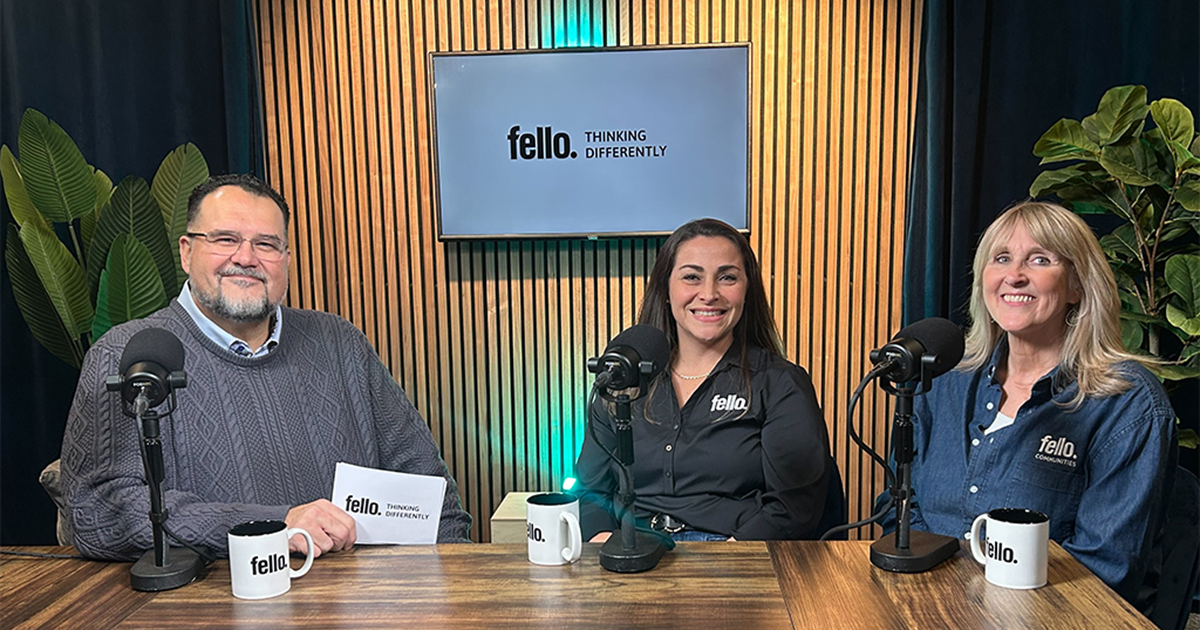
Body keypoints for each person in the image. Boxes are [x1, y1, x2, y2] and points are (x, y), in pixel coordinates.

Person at [61, 174, 472, 561]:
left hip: (358, 606)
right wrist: (276, 525)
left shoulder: (340, 343)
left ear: (286, 258)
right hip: (211, 610)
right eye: (225, 239)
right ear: (187, 252)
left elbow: (429, 490)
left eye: (267, 244)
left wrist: (460, 588)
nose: (246, 258)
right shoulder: (127, 357)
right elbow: (98, 514)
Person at [892, 201, 1176, 611]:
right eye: (1002, 258)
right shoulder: (942, 381)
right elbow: (900, 511)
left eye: (1039, 259)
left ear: (1077, 286)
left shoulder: (1127, 404)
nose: (1014, 276)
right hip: (926, 610)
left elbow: (1107, 571)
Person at [574, 218, 840, 542]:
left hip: (734, 555)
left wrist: (731, 560)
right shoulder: (622, 379)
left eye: (727, 277)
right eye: (691, 277)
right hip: (633, 548)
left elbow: (792, 508)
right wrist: (606, 541)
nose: (709, 294)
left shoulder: (780, 384)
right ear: (667, 290)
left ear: (746, 291)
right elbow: (591, 490)